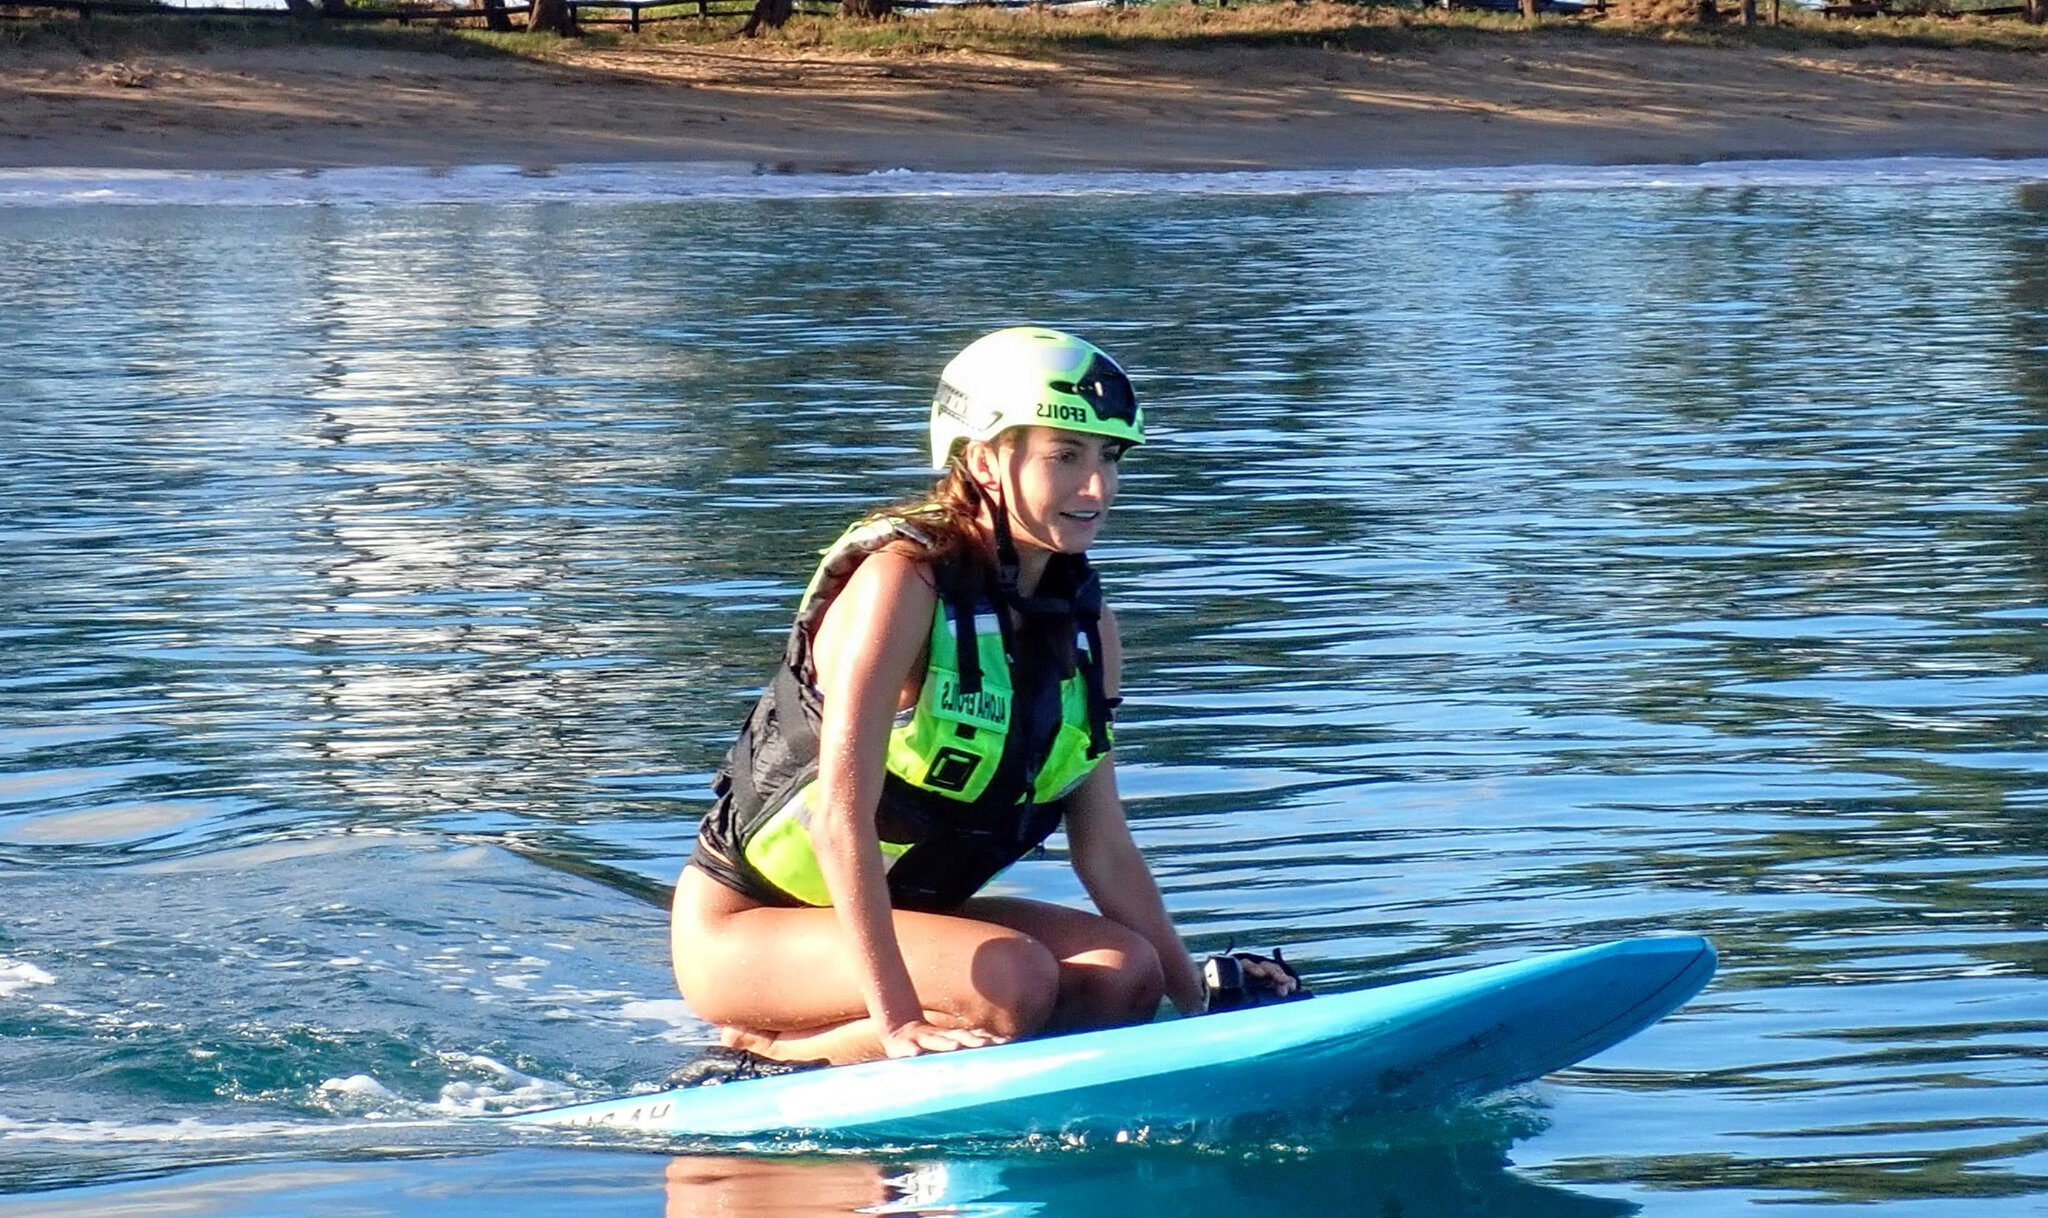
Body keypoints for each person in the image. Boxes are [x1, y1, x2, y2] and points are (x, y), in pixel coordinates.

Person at [670, 327, 1293, 1070]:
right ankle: (762, 1056)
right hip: (749, 931)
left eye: (1110, 457)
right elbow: (840, 818)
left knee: (1126, 975)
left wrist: (1196, 1005)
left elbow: (1105, 848)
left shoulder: (1086, 626)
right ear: (984, 460)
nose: (1098, 488)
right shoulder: (901, 586)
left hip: (909, 920)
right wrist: (898, 1020)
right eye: (1065, 456)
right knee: (1013, 982)